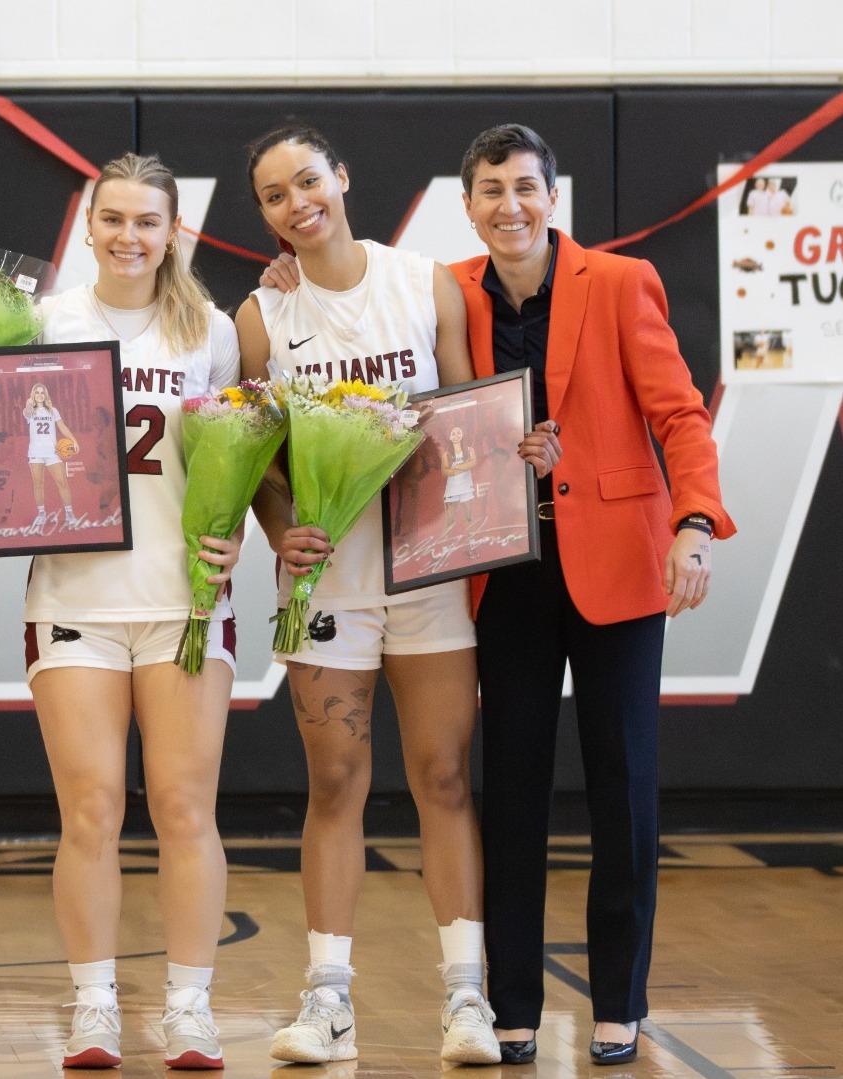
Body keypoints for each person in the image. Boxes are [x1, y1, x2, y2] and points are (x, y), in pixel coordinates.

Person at [0, 152, 242, 1070]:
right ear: (89, 222)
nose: (127, 236)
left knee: (186, 807)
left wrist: (236, 534)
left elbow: (247, 458)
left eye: (146, 221)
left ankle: (189, 1006)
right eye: (112, 218)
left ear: (172, 231)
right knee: (92, 810)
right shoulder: (41, 322)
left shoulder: (214, 333)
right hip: (73, 597)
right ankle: (93, 1004)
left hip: (185, 601)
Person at [453, 123, 729, 1066]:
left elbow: (679, 415)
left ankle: (619, 995)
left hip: (617, 562)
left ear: (552, 197)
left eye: (525, 187)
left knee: (624, 787)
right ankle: (512, 1002)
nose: (509, 205)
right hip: (505, 570)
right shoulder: (445, 291)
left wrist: (694, 524)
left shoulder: (618, 282)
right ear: (468, 204)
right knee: (513, 789)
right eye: (490, 189)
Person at [236, 124, 501, 1066]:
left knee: (441, 780)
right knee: (335, 783)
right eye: (274, 194)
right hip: (326, 582)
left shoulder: (421, 282)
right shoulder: (263, 317)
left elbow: (473, 415)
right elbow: (252, 450)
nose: (296, 202)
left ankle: (466, 996)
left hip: (426, 579)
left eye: (307, 180)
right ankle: (328, 1000)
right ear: (263, 213)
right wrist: (278, 525)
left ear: (340, 178)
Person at [21, 382, 79, 526]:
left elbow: (62, 426)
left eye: (42, 392)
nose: (40, 395)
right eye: (37, 392)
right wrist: (30, 400)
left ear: (45, 395)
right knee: (38, 484)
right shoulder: (29, 411)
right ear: (33, 395)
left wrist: (74, 440)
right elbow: (28, 408)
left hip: (53, 452)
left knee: (62, 483)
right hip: (36, 453)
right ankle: (41, 514)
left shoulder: (53, 411)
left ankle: (69, 514)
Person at [439, 427, 479, 534]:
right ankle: (446, 547)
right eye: (453, 434)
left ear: (462, 434)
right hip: (452, 490)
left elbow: (473, 462)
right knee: (449, 522)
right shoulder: (446, 454)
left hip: (466, 489)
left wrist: (455, 468)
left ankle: (472, 544)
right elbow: (445, 472)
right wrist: (464, 466)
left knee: (469, 518)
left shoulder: (470, 450)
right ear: (450, 437)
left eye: (458, 433)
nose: (456, 436)